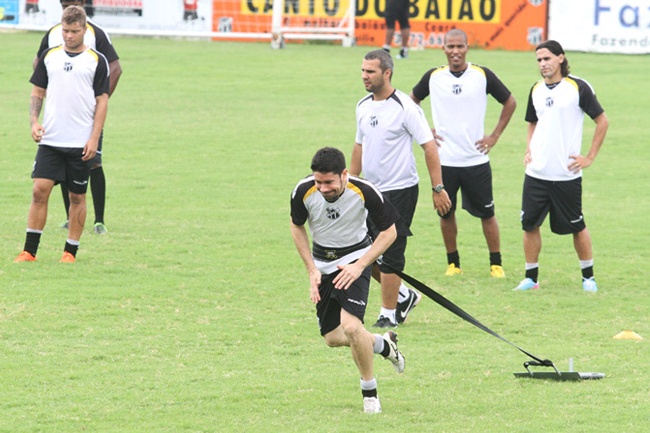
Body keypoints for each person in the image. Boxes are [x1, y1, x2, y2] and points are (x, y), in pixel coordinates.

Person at [290, 147, 405, 414]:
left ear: (344, 174)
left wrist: (361, 265)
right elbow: (296, 225)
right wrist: (311, 270)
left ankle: (370, 394)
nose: (323, 188)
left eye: (329, 182)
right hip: (323, 264)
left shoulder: (365, 191)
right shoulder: (303, 191)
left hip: (355, 260)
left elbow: (390, 232)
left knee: (352, 328)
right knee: (332, 337)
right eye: (318, 181)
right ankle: (382, 344)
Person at [352, 49, 452, 328]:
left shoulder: (406, 107)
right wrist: (352, 184)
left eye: (370, 71)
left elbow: (429, 147)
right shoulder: (362, 105)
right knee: (361, 252)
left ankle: (388, 314)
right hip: (370, 191)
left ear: (387, 73)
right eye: (363, 71)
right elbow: (359, 145)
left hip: (400, 190)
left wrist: (438, 188)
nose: (364, 76)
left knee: (391, 252)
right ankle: (404, 296)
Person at [410, 29, 516, 278]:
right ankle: (453, 264)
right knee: (446, 213)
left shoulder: (482, 75)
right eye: (450, 46)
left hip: (475, 160)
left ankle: (496, 264)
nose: (455, 51)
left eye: (460, 46)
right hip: (445, 161)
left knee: (487, 214)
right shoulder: (433, 77)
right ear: (443, 49)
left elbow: (510, 101)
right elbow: (411, 101)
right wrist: (424, 129)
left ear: (467, 47)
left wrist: (494, 136)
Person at [15, 5, 109, 263]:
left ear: (84, 29)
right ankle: (29, 251)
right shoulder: (50, 56)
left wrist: (94, 138)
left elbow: (102, 101)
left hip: (80, 142)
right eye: (66, 30)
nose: (69, 35)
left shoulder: (96, 61)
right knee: (39, 191)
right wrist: (34, 122)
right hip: (51, 140)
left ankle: (70, 252)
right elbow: (37, 92)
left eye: (74, 31)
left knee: (77, 197)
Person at [513, 40, 608, 292]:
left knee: (577, 226)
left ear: (561, 58)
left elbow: (602, 121)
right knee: (529, 225)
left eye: (547, 58)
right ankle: (531, 279)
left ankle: (588, 278)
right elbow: (532, 122)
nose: (543, 64)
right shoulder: (536, 89)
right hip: (536, 174)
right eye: (539, 60)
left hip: (566, 175)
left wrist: (589, 157)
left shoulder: (578, 87)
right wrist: (529, 149)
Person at [34, 0, 122, 235]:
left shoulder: (96, 33)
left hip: (88, 116)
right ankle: (69, 217)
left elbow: (115, 68)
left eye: (73, 3)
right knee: (65, 165)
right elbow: (38, 64)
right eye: (65, 4)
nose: (69, 8)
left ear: (83, 4)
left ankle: (99, 220)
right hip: (61, 118)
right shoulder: (54, 33)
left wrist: (98, 102)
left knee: (94, 161)